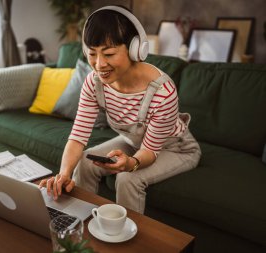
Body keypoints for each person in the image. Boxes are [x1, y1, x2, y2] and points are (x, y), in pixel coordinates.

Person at [39, 6, 201, 214]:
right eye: (92, 53)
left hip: (175, 148)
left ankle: (125, 240)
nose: (99, 64)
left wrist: (130, 163)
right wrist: (63, 174)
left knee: (127, 178)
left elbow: (150, 151)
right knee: (86, 161)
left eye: (108, 53)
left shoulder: (162, 92)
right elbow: (78, 136)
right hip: (135, 142)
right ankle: (81, 222)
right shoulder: (94, 83)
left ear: (136, 49)